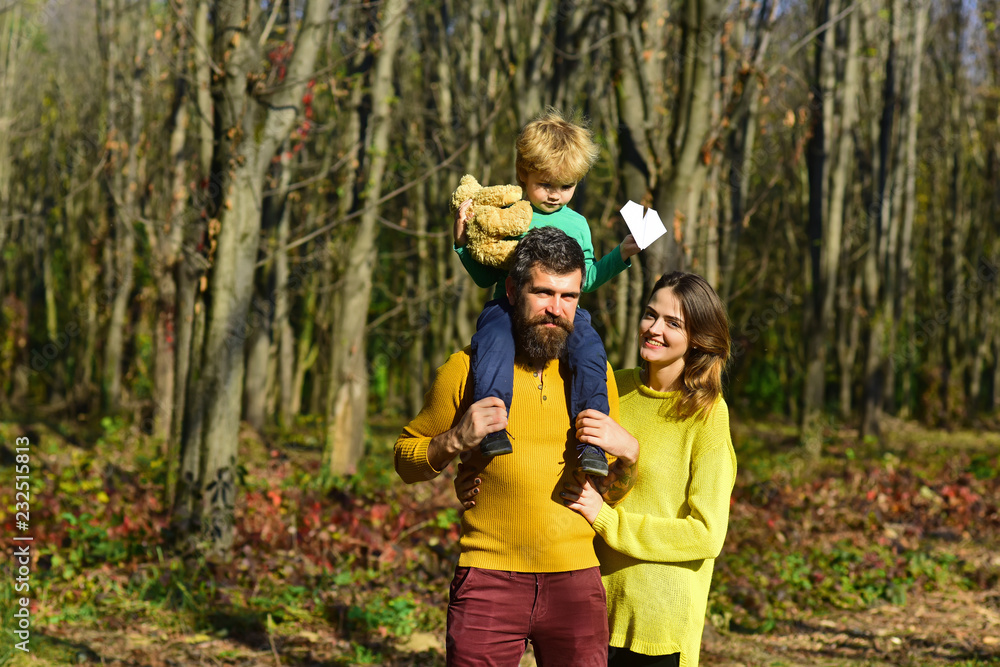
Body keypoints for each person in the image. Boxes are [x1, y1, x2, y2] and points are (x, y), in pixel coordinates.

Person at [457, 271, 736, 667]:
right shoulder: (611, 386)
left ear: (700, 338)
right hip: (589, 605)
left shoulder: (708, 415)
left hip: (655, 623)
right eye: (650, 315)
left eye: (673, 323)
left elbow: (707, 535)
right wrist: (475, 472)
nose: (654, 329)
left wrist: (607, 520)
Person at [396, 227, 640, 667]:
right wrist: (454, 440)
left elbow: (612, 491)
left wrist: (629, 456)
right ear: (512, 289)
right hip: (488, 580)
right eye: (543, 293)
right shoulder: (465, 369)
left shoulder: (594, 379)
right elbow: (405, 460)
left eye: (568, 296)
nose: (556, 309)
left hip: (576, 582)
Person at [453, 107, 640, 476]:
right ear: (524, 174)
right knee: (492, 340)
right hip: (507, 308)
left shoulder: (578, 224)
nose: (555, 195)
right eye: (546, 184)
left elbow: (584, 281)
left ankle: (593, 442)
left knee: (590, 352)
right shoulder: (508, 211)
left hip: (564, 316)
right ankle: (492, 425)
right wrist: (462, 243)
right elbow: (483, 275)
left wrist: (621, 255)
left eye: (566, 186)